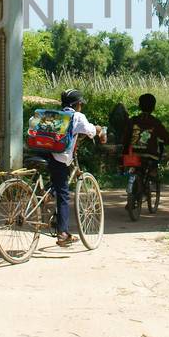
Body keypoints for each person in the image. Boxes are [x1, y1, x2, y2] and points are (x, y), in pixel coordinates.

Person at [45, 88, 104, 247]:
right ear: (78, 104)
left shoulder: (55, 115)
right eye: (81, 104)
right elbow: (91, 130)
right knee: (64, 195)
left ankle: (48, 194)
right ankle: (63, 234)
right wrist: (100, 130)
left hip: (45, 154)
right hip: (60, 158)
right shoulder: (77, 117)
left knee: (57, 181)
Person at [122, 92, 169, 219]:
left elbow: (125, 138)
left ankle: (133, 193)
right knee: (151, 166)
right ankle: (150, 178)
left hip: (132, 154)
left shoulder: (132, 121)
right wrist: (165, 142)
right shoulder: (155, 123)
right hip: (150, 156)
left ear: (139, 106)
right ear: (153, 107)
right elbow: (168, 139)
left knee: (134, 168)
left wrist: (125, 151)